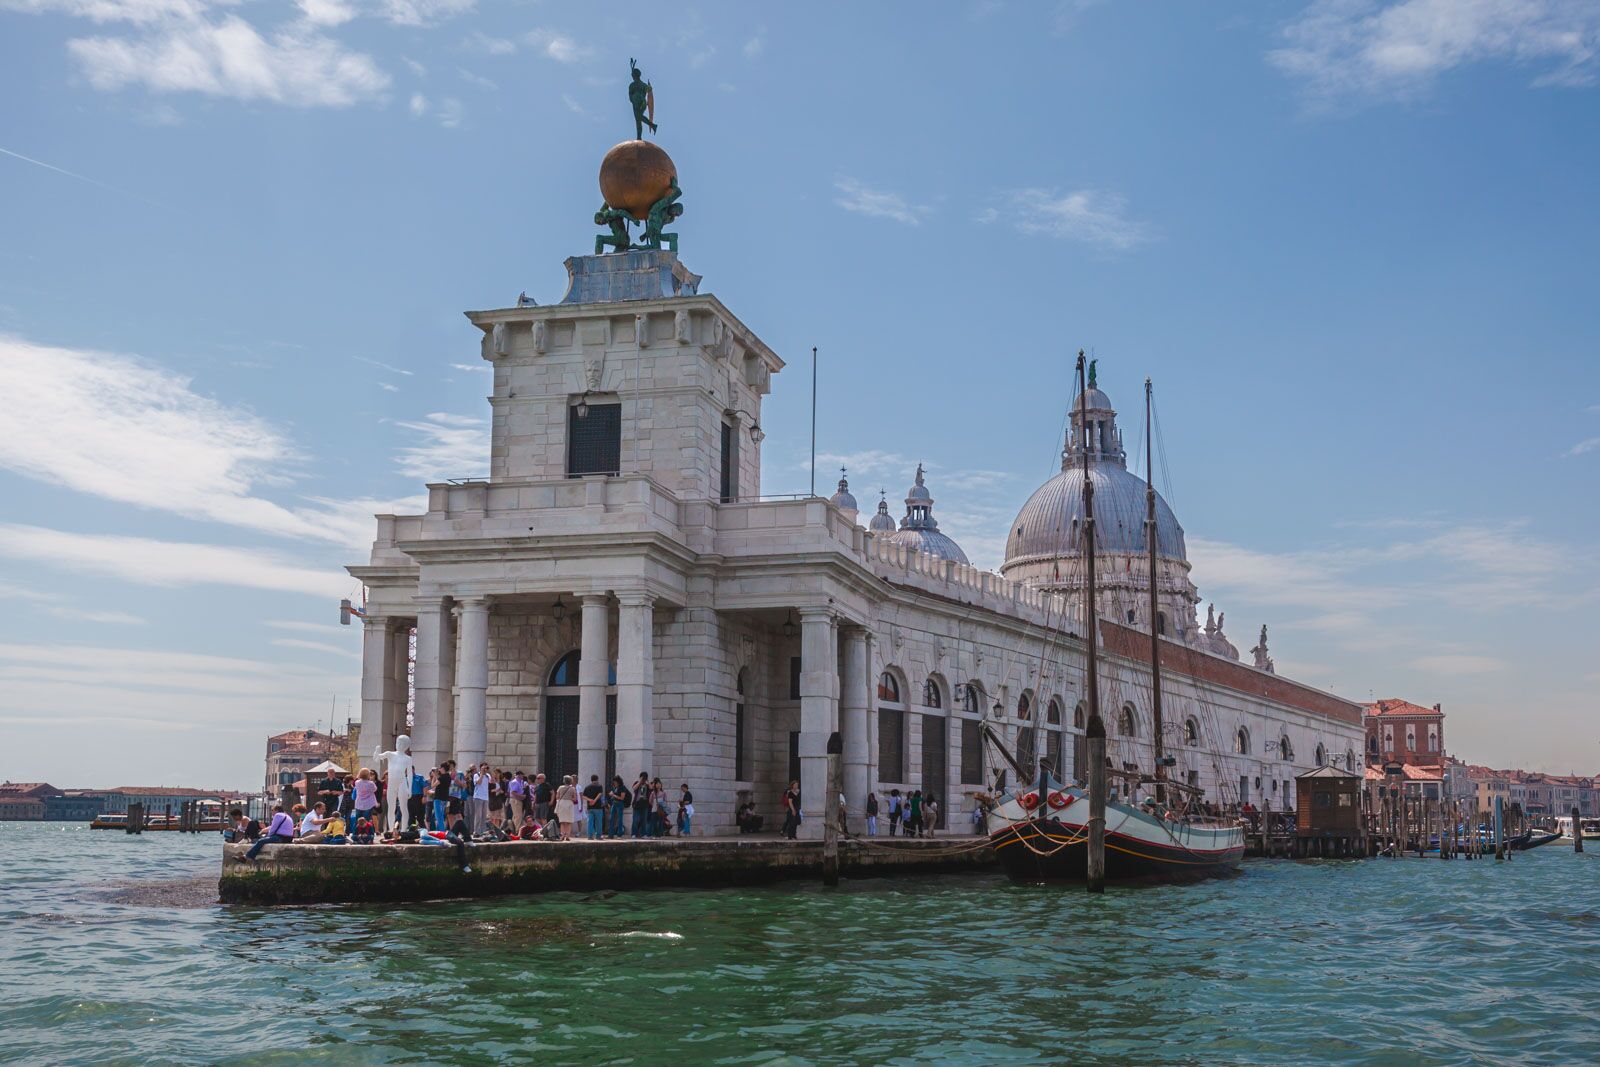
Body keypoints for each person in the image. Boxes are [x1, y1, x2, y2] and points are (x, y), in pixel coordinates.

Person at [470, 762, 493, 834]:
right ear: (480, 768)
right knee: (478, 815)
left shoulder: (488, 775)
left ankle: (483, 831)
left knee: (484, 815)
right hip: (478, 797)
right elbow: (478, 783)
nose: (485, 769)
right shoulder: (476, 775)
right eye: (484, 768)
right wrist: (482, 774)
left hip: (485, 797)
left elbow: (492, 782)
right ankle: (476, 831)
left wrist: (489, 772)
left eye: (486, 768)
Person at [582, 775, 606, 839]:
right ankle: (598, 836)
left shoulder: (587, 787)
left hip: (590, 807)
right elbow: (600, 794)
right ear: (597, 779)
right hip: (598, 807)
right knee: (598, 822)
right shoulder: (599, 786)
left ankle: (590, 836)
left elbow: (583, 796)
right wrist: (594, 801)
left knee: (590, 822)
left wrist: (590, 800)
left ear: (591, 779)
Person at [555, 775, 577, 840]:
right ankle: (567, 836)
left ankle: (562, 836)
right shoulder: (572, 788)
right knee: (568, 821)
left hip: (562, 804)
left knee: (562, 821)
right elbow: (575, 799)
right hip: (569, 804)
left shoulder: (560, 787)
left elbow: (557, 797)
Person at [632, 773, 652, 838]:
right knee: (636, 819)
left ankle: (644, 834)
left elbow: (651, 788)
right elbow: (634, 788)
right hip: (637, 804)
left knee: (644, 820)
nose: (643, 780)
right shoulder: (637, 783)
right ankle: (634, 834)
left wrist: (648, 782)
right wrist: (640, 782)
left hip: (645, 804)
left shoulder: (647, 785)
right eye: (642, 778)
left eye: (644, 778)